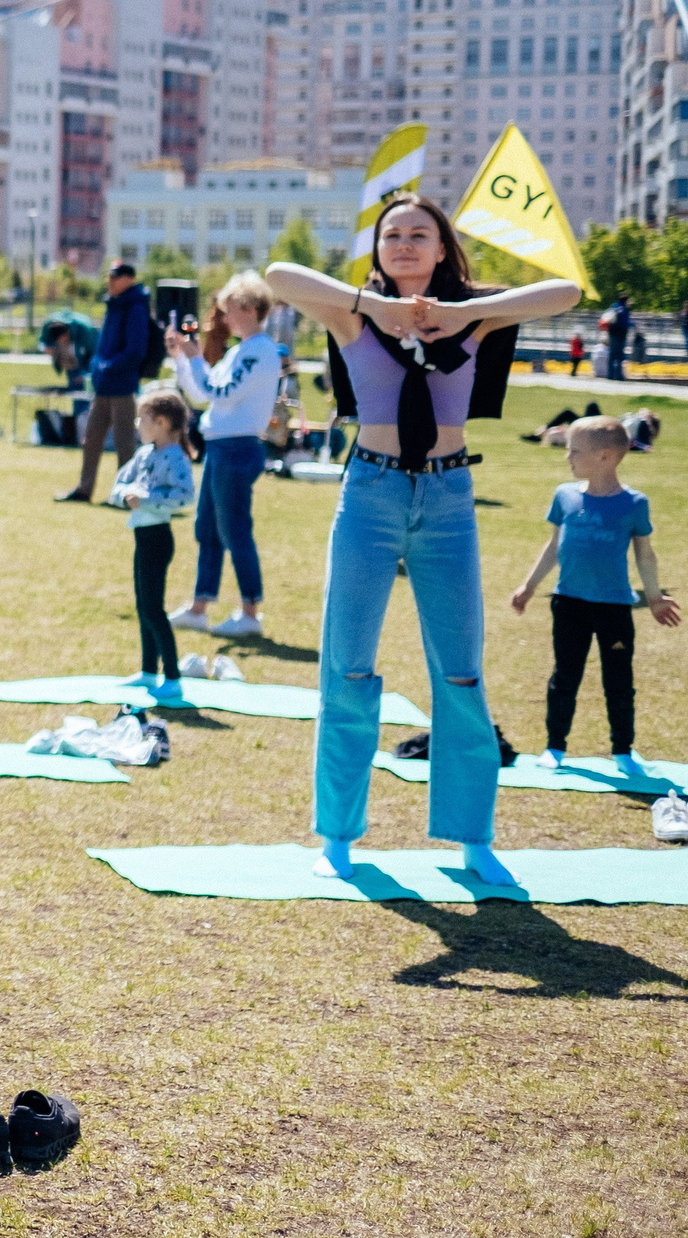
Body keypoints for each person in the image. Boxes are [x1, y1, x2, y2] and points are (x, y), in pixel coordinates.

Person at [265, 194, 579, 883]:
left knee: (460, 669)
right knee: (347, 664)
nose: (405, 244)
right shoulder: (353, 312)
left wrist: (465, 313)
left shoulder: (473, 318)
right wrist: (372, 304)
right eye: (392, 234)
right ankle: (339, 839)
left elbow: (568, 290)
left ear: (442, 249)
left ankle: (472, 839)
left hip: (447, 499)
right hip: (371, 493)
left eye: (420, 234)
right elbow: (277, 274)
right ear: (377, 249)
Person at [508, 416, 677, 772]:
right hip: (568, 603)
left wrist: (655, 598)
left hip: (614, 607)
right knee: (564, 676)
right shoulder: (564, 495)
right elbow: (554, 546)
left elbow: (644, 554)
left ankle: (623, 751)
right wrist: (529, 585)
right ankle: (555, 747)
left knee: (618, 680)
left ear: (605, 456)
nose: (567, 457)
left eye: (575, 451)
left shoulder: (633, 503)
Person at [163, 274, 280, 640]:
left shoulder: (260, 351)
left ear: (247, 309)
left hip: (237, 448)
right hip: (221, 447)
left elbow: (221, 391)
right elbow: (203, 393)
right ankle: (200, 606)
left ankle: (250, 611)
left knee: (235, 530)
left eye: (229, 310)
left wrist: (196, 360)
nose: (224, 319)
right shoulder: (240, 350)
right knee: (208, 529)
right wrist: (184, 360)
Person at [111, 389, 197, 695]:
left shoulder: (175, 457)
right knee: (143, 606)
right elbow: (118, 485)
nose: (137, 424)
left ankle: (172, 678)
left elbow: (186, 495)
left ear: (161, 422)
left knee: (153, 608)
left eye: (142, 418)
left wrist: (146, 498)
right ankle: (149, 672)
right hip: (142, 536)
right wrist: (126, 495)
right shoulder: (144, 454)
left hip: (158, 539)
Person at [55, 262, 150, 503]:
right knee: (91, 438)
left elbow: (136, 350)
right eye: (109, 276)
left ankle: (125, 494)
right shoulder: (114, 304)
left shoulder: (135, 307)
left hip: (122, 386)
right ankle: (84, 489)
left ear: (129, 278)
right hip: (104, 385)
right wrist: (98, 367)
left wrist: (108, 366)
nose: (110, 281)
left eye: (115, 277)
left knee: (124, 443)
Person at [603, 295, 631, 383]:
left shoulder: (616, 307)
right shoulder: (622, 309)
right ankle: (617, 375)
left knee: (613, 355)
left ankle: (611, 375)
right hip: (618, 335)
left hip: (615, 335)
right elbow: (624, 323)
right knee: (618, 355)